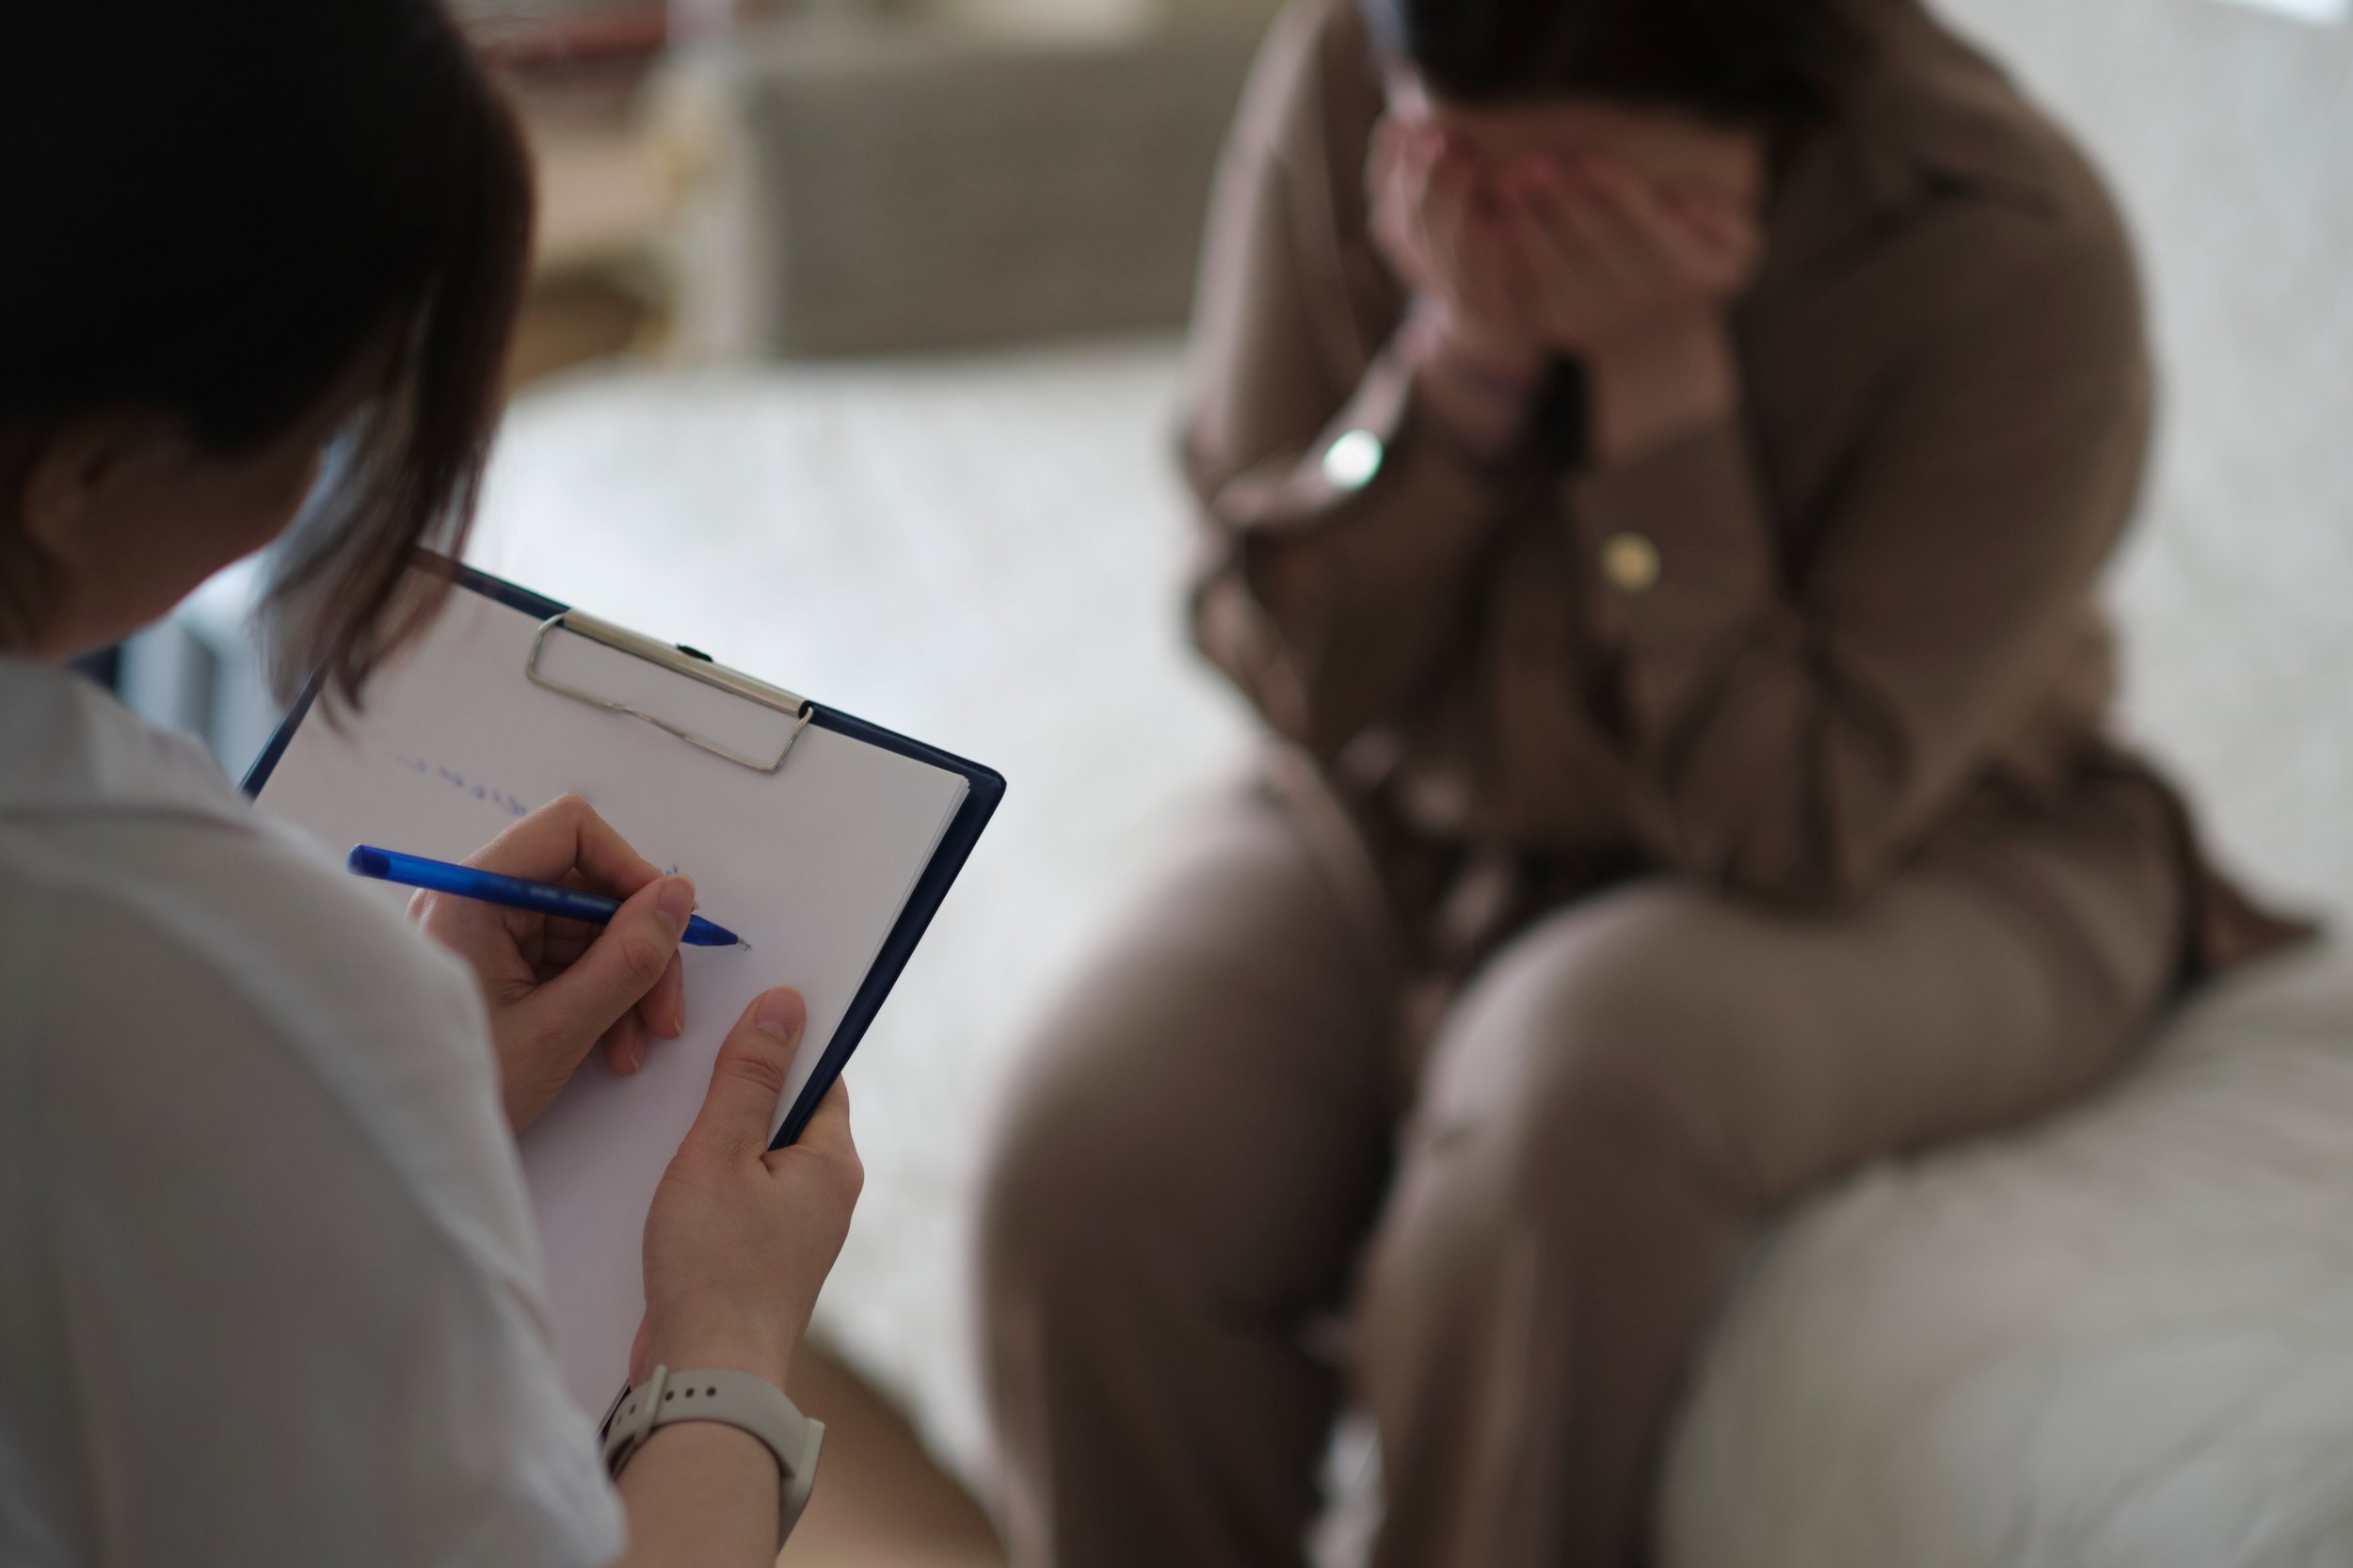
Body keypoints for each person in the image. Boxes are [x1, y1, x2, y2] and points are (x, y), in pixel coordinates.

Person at [977, 0, 2302, 1564]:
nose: (1511, 228)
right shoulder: (1355, 66)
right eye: (1466, 176)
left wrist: (1659, 392)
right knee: (1091, 1166)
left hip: (1922, 847)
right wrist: (1458, 376)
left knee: (1570, 1102)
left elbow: (1784, 818)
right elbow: (1283, 661)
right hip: (1419, 800)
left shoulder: (2007, 247)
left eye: (1582, 196)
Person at [0, 5, 860, 1564]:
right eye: (333, 424)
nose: (313, 494)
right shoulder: (199, 974)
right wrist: (723, 1339)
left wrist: (372, 1104)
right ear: (90, 473)